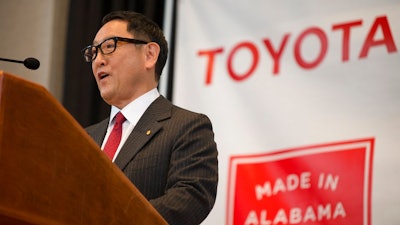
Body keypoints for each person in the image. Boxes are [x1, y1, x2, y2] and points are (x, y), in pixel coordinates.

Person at [82, 11, 218, 225]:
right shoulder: (83, 138)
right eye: (93, 52)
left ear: (150, 55)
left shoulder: (186, 127)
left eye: (109, 46)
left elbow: (190, 198)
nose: (98, 60)